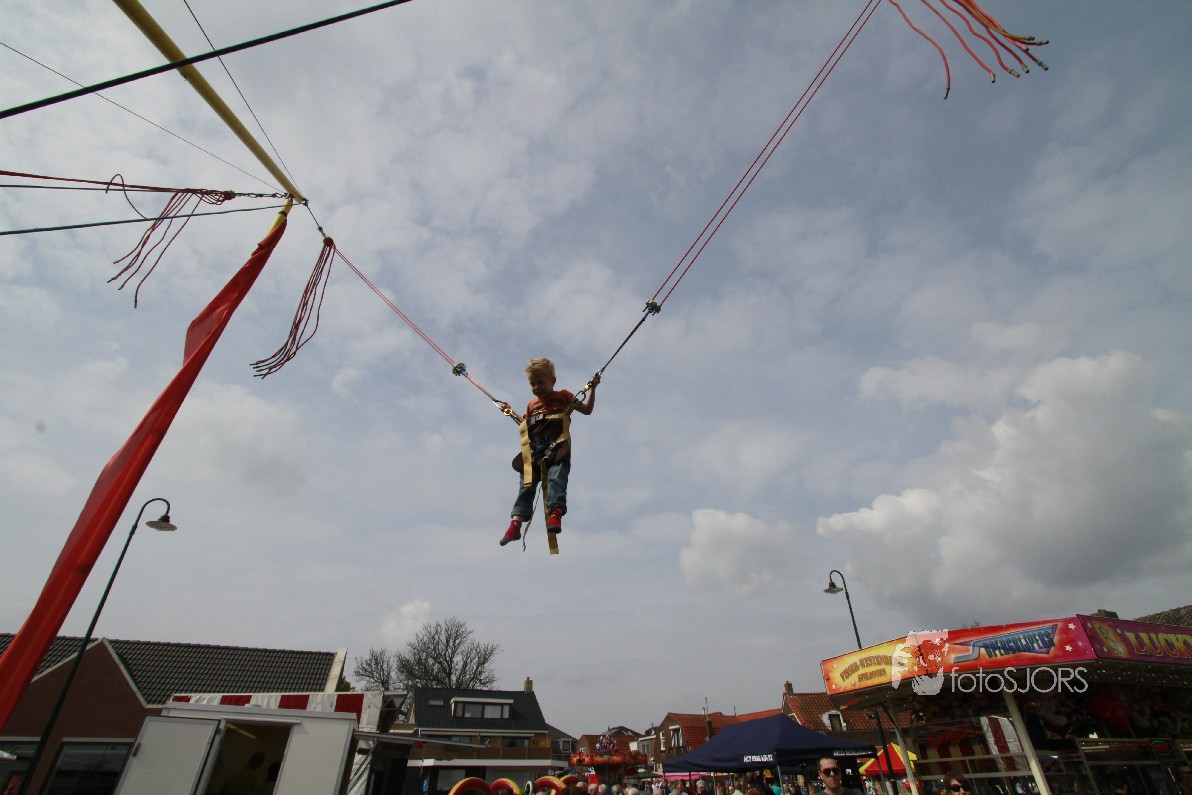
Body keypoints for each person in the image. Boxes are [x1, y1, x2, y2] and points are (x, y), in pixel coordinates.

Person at [500, 357, 599, 546]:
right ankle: (515, 524)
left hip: (557, 445)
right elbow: (525, 425)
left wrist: (592, 388)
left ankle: (555, 513)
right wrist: (509, 411)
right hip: (535, 449)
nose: (536, 387)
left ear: (553, 381)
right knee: (526, 484)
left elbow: (586, 410)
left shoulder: (564, 396)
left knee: (556, 479)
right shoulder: (532, 405)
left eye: (540, 382)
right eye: (532, 384)